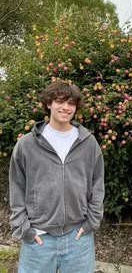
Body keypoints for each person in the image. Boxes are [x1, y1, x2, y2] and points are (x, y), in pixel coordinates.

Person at [9, 80, 105, 273]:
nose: (66, 107)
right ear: (49, 104)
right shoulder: (27, 144)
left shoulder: (88, 142)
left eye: (71, 103)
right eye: (60, 101)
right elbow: (17, 187)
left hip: (78, 237)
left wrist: (91, 222)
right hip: (38, 237)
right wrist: (24, 228)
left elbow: (97, 183)